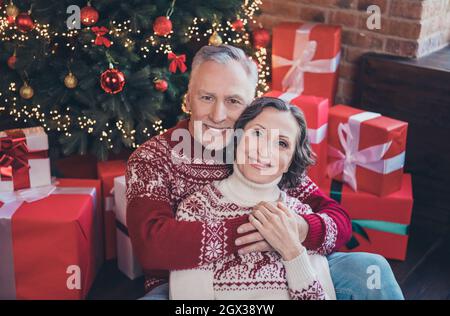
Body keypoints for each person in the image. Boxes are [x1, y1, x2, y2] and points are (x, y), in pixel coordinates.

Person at [126, 44, 404, 300]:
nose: (218, 114)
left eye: (233, 101)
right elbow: (152, 249)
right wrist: (259, 229)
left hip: (281, 269)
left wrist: (301, 229)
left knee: (370, 269)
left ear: (250, 106)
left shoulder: (260, 151)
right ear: (189, 98)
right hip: (182, 279)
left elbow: (339, 221)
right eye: (207, 97)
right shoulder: (152, 158)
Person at [170, 97, 336, 300]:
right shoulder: (197, 210)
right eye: (257, 133)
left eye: (282, 143)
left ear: (291, 161)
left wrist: (293, 252)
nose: (264, 150)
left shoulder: (301, 217)